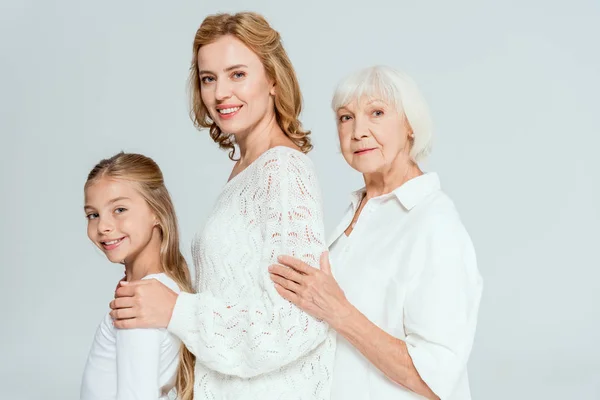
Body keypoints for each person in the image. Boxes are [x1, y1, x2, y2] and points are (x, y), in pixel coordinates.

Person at [108, 12, 336, 399]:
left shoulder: (282, 170)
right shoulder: (248, 172)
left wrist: (177, 310)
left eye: (237, 74)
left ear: (274, 80)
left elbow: (297, 322)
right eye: (208, 78)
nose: (219, 94)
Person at [269, 65, 483, 400]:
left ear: (410, 125)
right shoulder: (358, 211)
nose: (358, 131)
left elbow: (435, 378)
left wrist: (338, 311)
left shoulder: (434, 224)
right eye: (345, 117)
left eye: (377, 113)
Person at [80, 152, 195, 400]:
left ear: (157, 211)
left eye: (119, 209)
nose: (102, 227)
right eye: (93, 214)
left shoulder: (142, 301)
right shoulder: (163, 289)